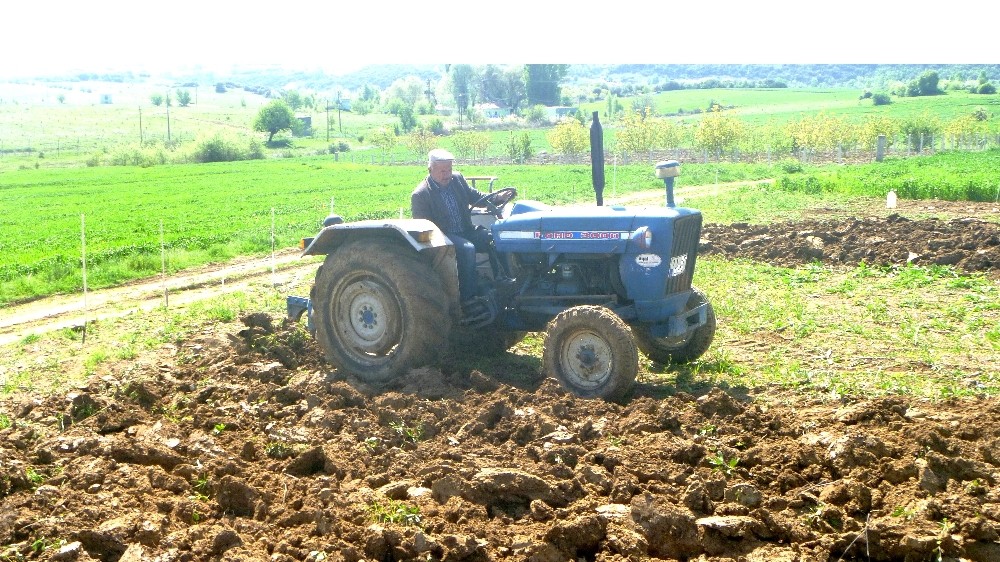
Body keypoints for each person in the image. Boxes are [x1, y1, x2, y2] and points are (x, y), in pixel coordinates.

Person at [411, 148, 492, 319]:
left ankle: (504, 282)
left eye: (449, 169)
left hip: (467, 230)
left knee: (495, 239)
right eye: (443, 170)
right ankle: (468, 301)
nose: (447, 174)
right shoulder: (421, 195)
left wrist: (494, 198)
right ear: (430, 169)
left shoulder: (457, 180)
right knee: (467, 249)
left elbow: (474, 196)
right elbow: (424, 227)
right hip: (444, 237)